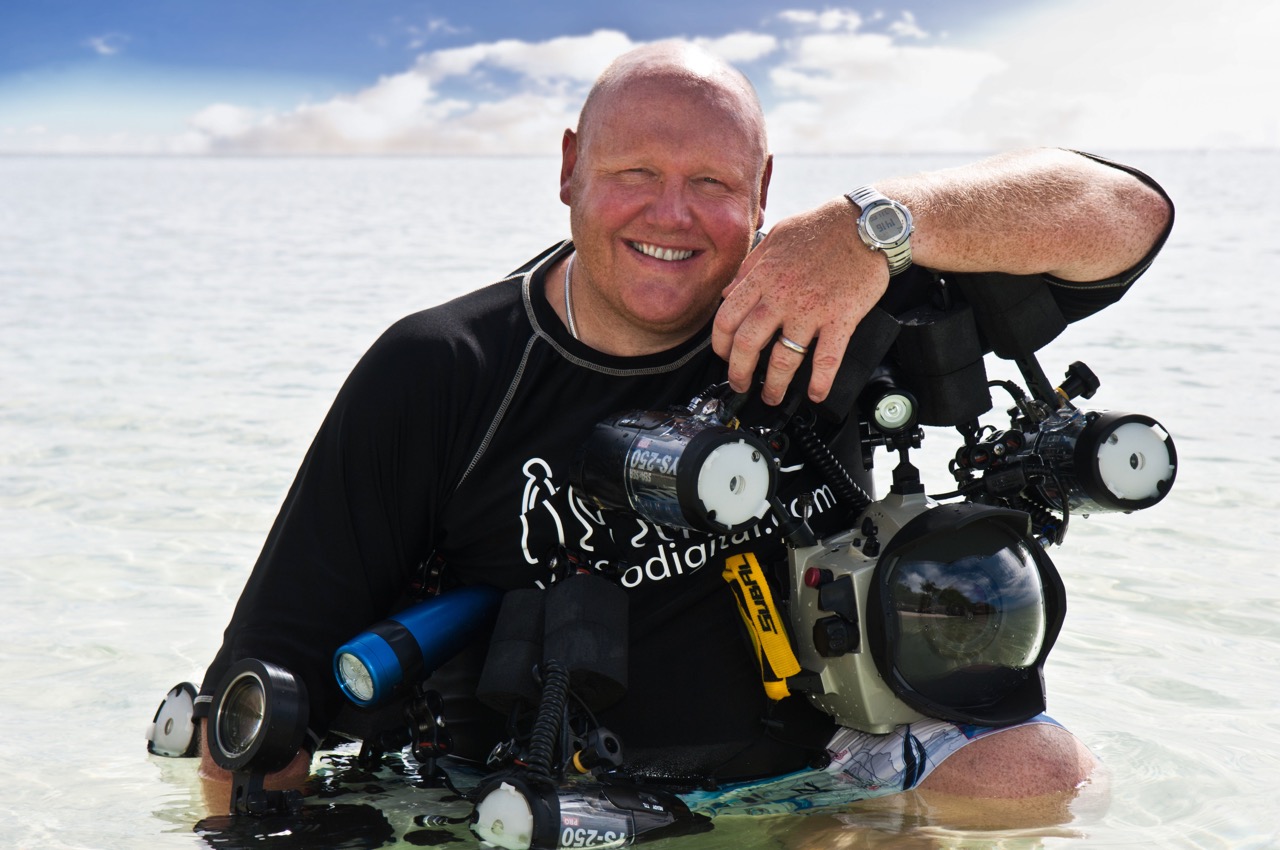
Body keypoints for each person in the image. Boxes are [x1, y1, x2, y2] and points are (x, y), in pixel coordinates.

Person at [196, 41, 1173, 814]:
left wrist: (879, 225)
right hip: (538, 806)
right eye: (635, 171)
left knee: (1033, 767)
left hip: (824, 766)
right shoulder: (443, 368)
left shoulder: (830, 290)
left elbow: (1126, 211)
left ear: (763, 189)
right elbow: (254, 700)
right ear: (571, 167)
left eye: (713, 182)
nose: (673, 213)